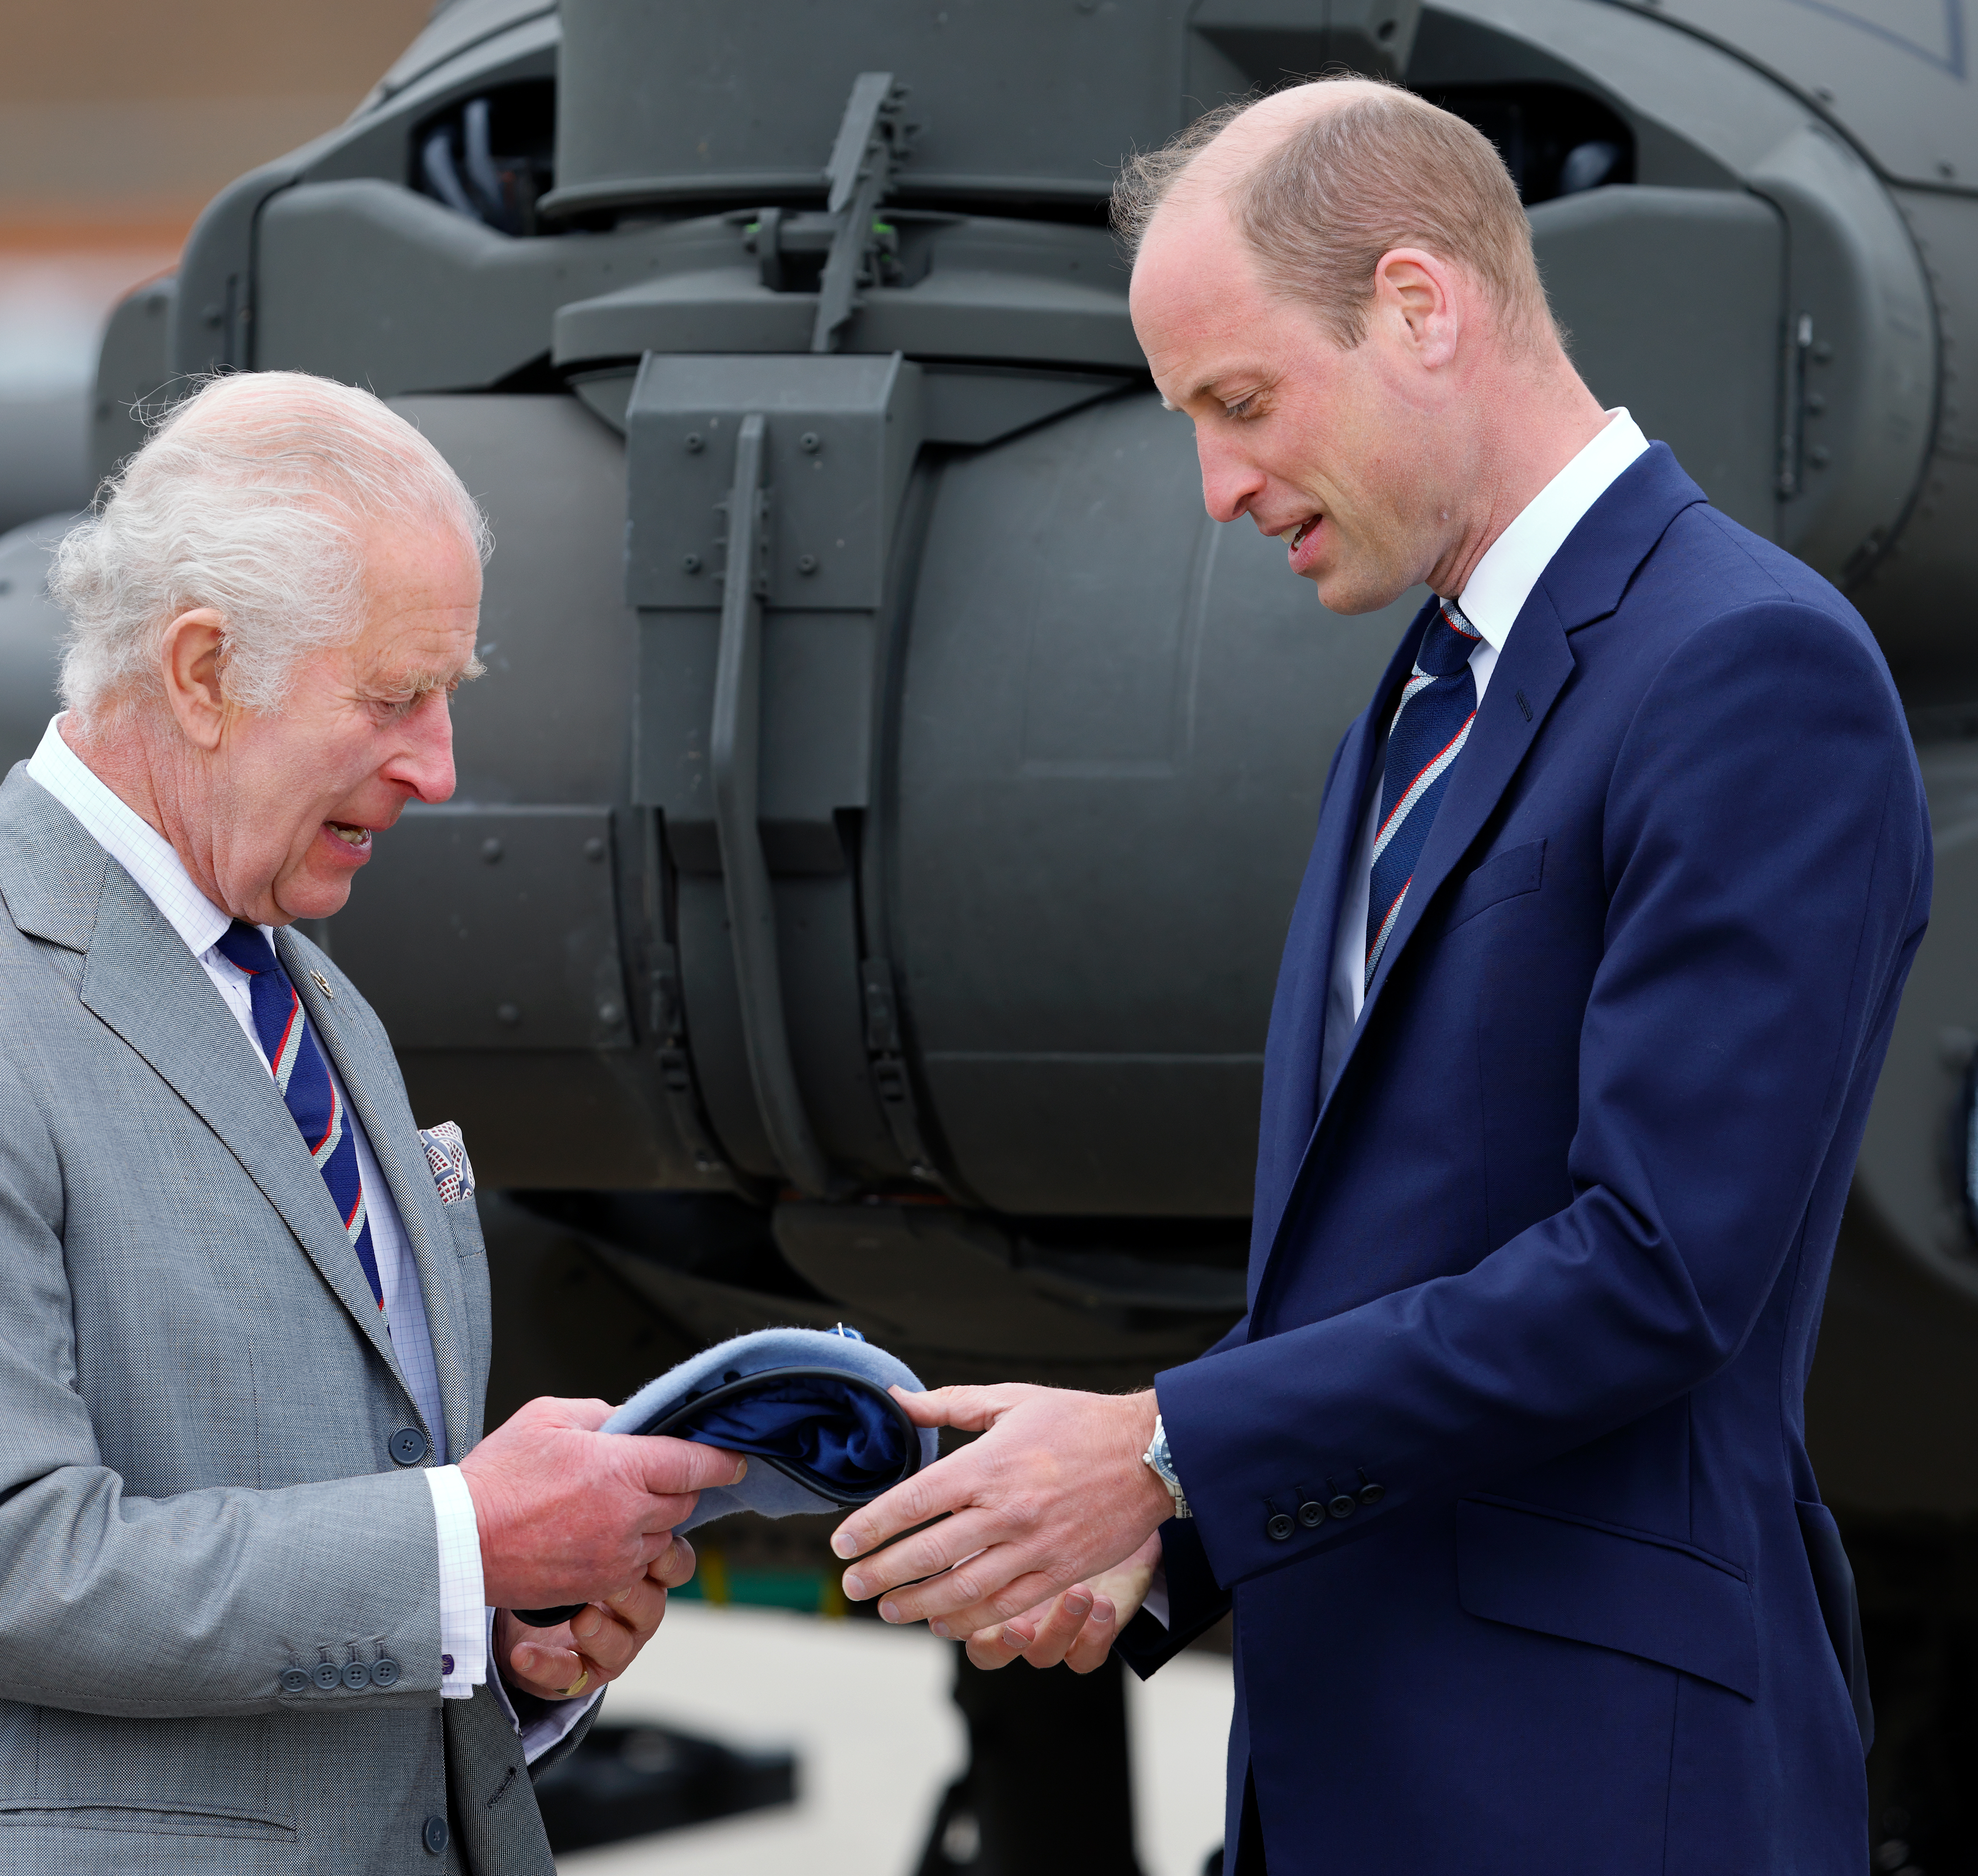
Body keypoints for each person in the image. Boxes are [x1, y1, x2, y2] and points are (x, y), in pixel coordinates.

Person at [826, 77, 1929, 1874]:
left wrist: (1164, 1443)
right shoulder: (1427, 697)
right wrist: (1149, 1538)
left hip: (1593, 1793)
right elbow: (1394, 1259)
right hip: (1360, 1777)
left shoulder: (1749, 672)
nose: (1213, 487)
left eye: (1240, 403)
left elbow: (1655, 1272)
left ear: (1421, 307)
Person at [0, 371, 745, 1875]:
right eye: (393, 697)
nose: (437, 768)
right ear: (200, 669)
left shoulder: (312, 1005)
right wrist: (463, 1544)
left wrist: (509, 1641)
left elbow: (333, 1545)